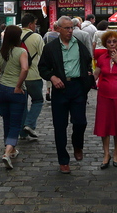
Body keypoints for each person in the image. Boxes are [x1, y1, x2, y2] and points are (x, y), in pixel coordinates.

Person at [38, 15, 94, 174]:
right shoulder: (51, 47)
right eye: (67, 28)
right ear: (58, 29)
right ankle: (63, 160)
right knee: (60, 126)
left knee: (80, 122)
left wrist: (88, 75)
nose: (70, 31)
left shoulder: (79, 45)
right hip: (60, 89)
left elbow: (87, 60)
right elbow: (42, 68)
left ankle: (78, 145)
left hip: (77, 87)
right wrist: (52, 77)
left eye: (72, 28)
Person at [93, 30, 117, 168]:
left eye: (114, 41)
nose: (111, 44)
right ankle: (106, 154)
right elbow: (96, 75)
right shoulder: (102, 58)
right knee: (104, 124)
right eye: (109, 42)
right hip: (104, 95)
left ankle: (116, 152)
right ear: (105, 44)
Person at [0, 24, 29, 170]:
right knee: (16, 123)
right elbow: (25, 69)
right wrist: (18, 86)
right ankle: (7, 152)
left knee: (6, 121)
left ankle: (11, 149)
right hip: (16, 91)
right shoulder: (21, 52)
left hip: (2, 89)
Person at [19, 13, 45, 140]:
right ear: (30, 24)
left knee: (22, 104)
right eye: (35, 23)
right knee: (38, 100)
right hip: (33, 75)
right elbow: (44, 55)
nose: (36, 26)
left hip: (18, 77)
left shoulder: (15, 35)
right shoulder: (36, 37)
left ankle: (23, 132)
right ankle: (29, 124)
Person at [43, 21, 60, 101]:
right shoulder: (61, 35)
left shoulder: (47, 34)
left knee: (49, 73)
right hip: (58, 57)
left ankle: (48, 91)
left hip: (48, 55)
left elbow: (43, 43)